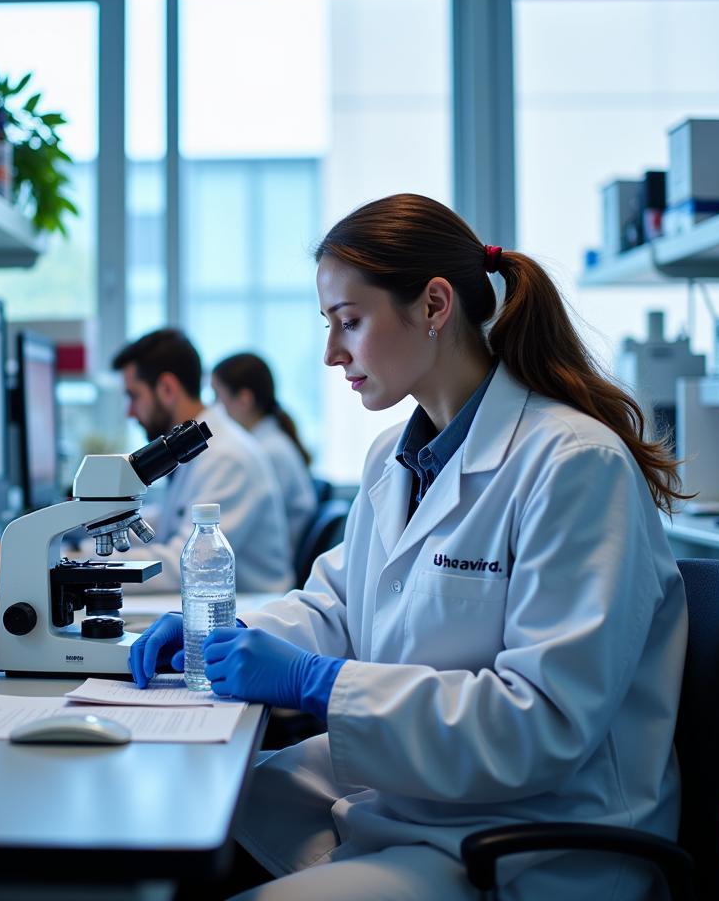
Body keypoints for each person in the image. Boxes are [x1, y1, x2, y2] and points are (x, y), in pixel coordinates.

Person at [129, 194, 688, 900]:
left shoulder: (574, 465)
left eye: (350, 322)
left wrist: (317, 682)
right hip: (421, 797)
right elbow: (334, 606)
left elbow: (540, 723)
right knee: (170, 811)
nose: (332, 353)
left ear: (433, 305)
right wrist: (227, 632)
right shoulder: (395, 457)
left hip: (533, 841)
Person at [112, 329, 292, 594]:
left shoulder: (227, 457)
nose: (129, 412)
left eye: (134, 396)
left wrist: (90, 569)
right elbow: (170, 520)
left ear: (167, 389)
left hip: (249, 613)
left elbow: (188, 565)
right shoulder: (193, 448)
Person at [211, 353, 317, 552]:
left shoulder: (268, 452)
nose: (212, 407)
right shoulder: (269, 441)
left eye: (217, 396)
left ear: (244, 399)